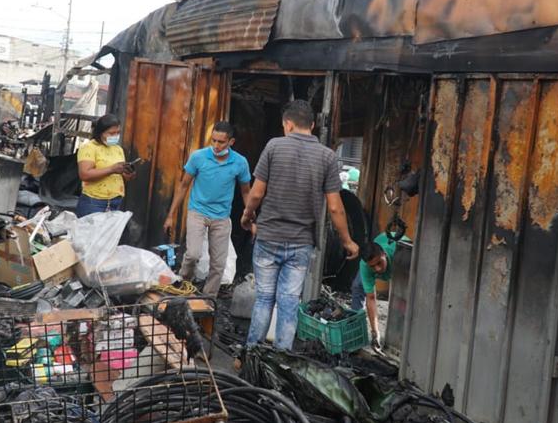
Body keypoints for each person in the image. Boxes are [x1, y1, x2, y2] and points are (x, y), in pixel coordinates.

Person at [240, 100, 360, 350]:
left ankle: (251, 352)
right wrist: (347, 241)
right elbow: (335, 207)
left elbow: (257, 193)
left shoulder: (274, 146)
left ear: (288, 124)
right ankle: (282, 357)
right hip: (301, 243)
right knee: (289, 302)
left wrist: (247, 216)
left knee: (264, 298)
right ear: (313, 125)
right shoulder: (327, 156)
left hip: (269, 237)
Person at [163, 121, 252, 297]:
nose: (216, 146)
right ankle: (183, 286)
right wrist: (170, 215)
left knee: (218, 264)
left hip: (222, 217)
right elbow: (183, 186)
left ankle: (209, 298)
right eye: (213, 141)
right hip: (198, 212)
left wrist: (250, 216)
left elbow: (246, 192)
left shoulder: (240, 162)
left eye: (221, 142)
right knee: (193, 254)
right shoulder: (198, 157)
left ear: (231, 142)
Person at [76, 114, 135, 217]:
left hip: (115, 202)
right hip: (94, 203)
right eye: (111, 133)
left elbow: (120, 174)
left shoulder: (118, 149)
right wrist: (112, 169)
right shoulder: (89, 148)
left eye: (118, 133)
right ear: (100, 132)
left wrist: (128, 174)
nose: (115, 136)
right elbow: (84, 174)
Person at [351, 234, 398, 351]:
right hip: (378, 255)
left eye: (379, 263)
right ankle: (355, 330)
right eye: (372, 266)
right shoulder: (365, 265)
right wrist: (375, 332)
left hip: (400, 261)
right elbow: (371, 298)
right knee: (358, 286)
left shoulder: (397, 254)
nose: (377, 269)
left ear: (384, 254)